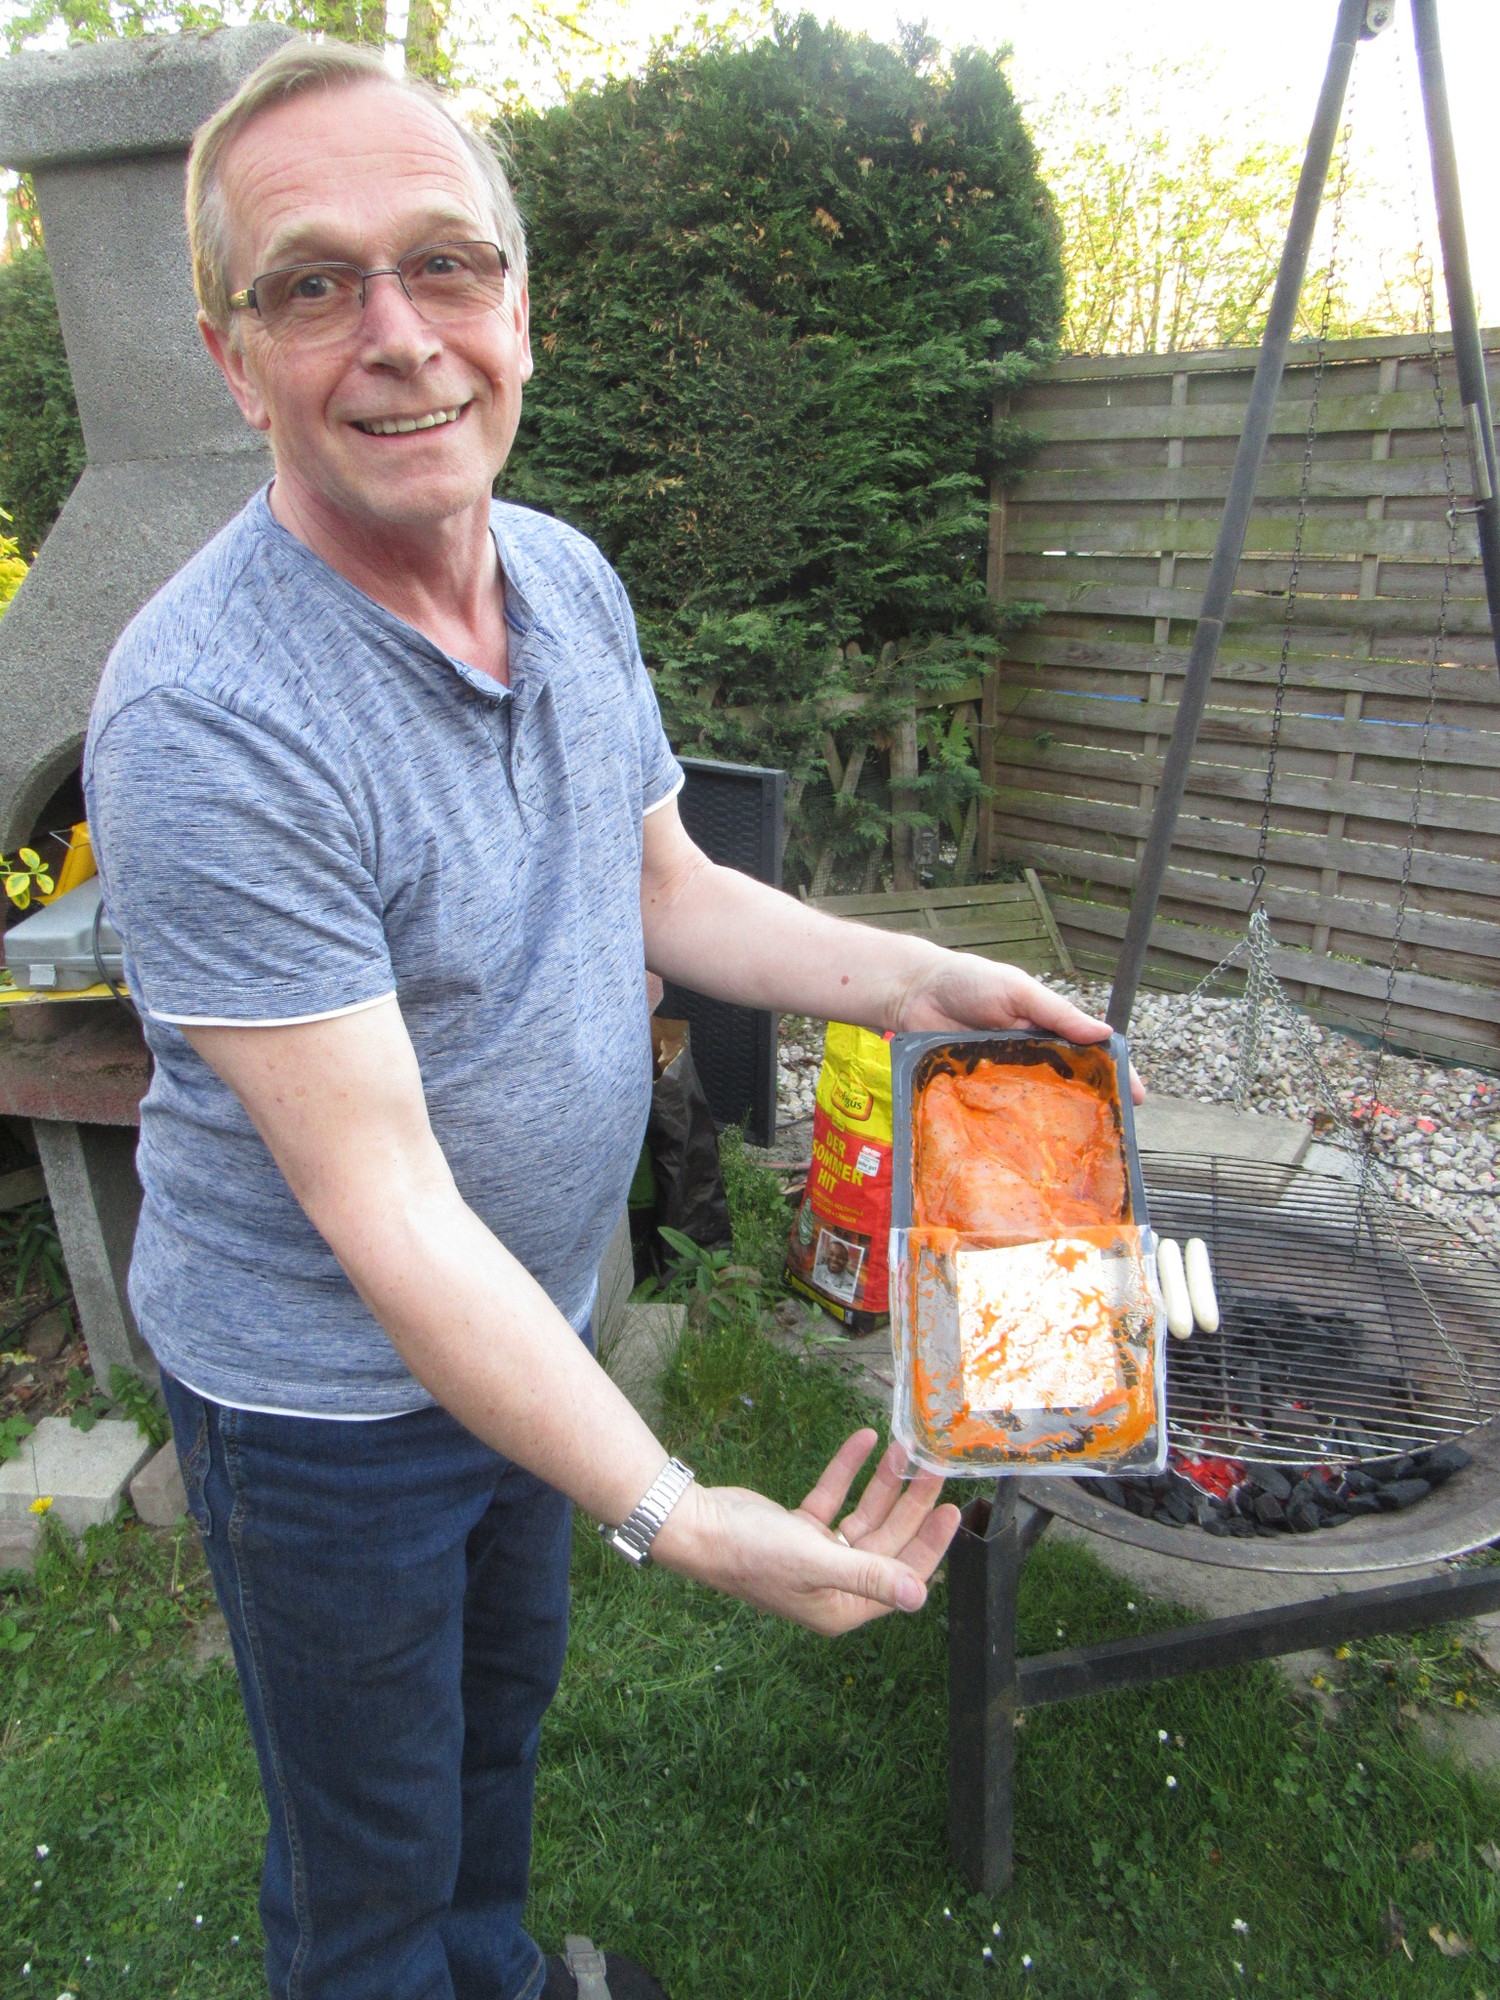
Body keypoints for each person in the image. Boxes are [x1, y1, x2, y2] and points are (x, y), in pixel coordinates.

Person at [83, 37, 1131, 2000]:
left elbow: (669, 887)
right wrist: (677, 1510)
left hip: (536, 1328)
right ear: (233, 358)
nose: (400, 334)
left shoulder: (562, 577)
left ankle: (498, 1973)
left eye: (445, 262)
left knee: (493, 1734)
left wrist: (924, 980)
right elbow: (390, 1213)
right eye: (314, 284)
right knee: (368, 1854)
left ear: (520, 309)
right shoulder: (206, 721)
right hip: (327, 1409)